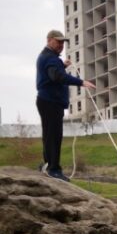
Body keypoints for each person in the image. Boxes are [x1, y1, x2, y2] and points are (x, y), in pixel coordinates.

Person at [36, 29, 95, 181]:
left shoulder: (50, 58)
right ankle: (53, 169)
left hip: (48, 101)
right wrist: (81, 82)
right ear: (49, 40)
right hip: (50, 102)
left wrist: (62, 65)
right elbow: (57, 76)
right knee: (54, 136)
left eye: (63, 43)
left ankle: (48, 164)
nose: (61, 45)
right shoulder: (50, 58)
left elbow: (53, 72)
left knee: (49, 135)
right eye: (58, 42)